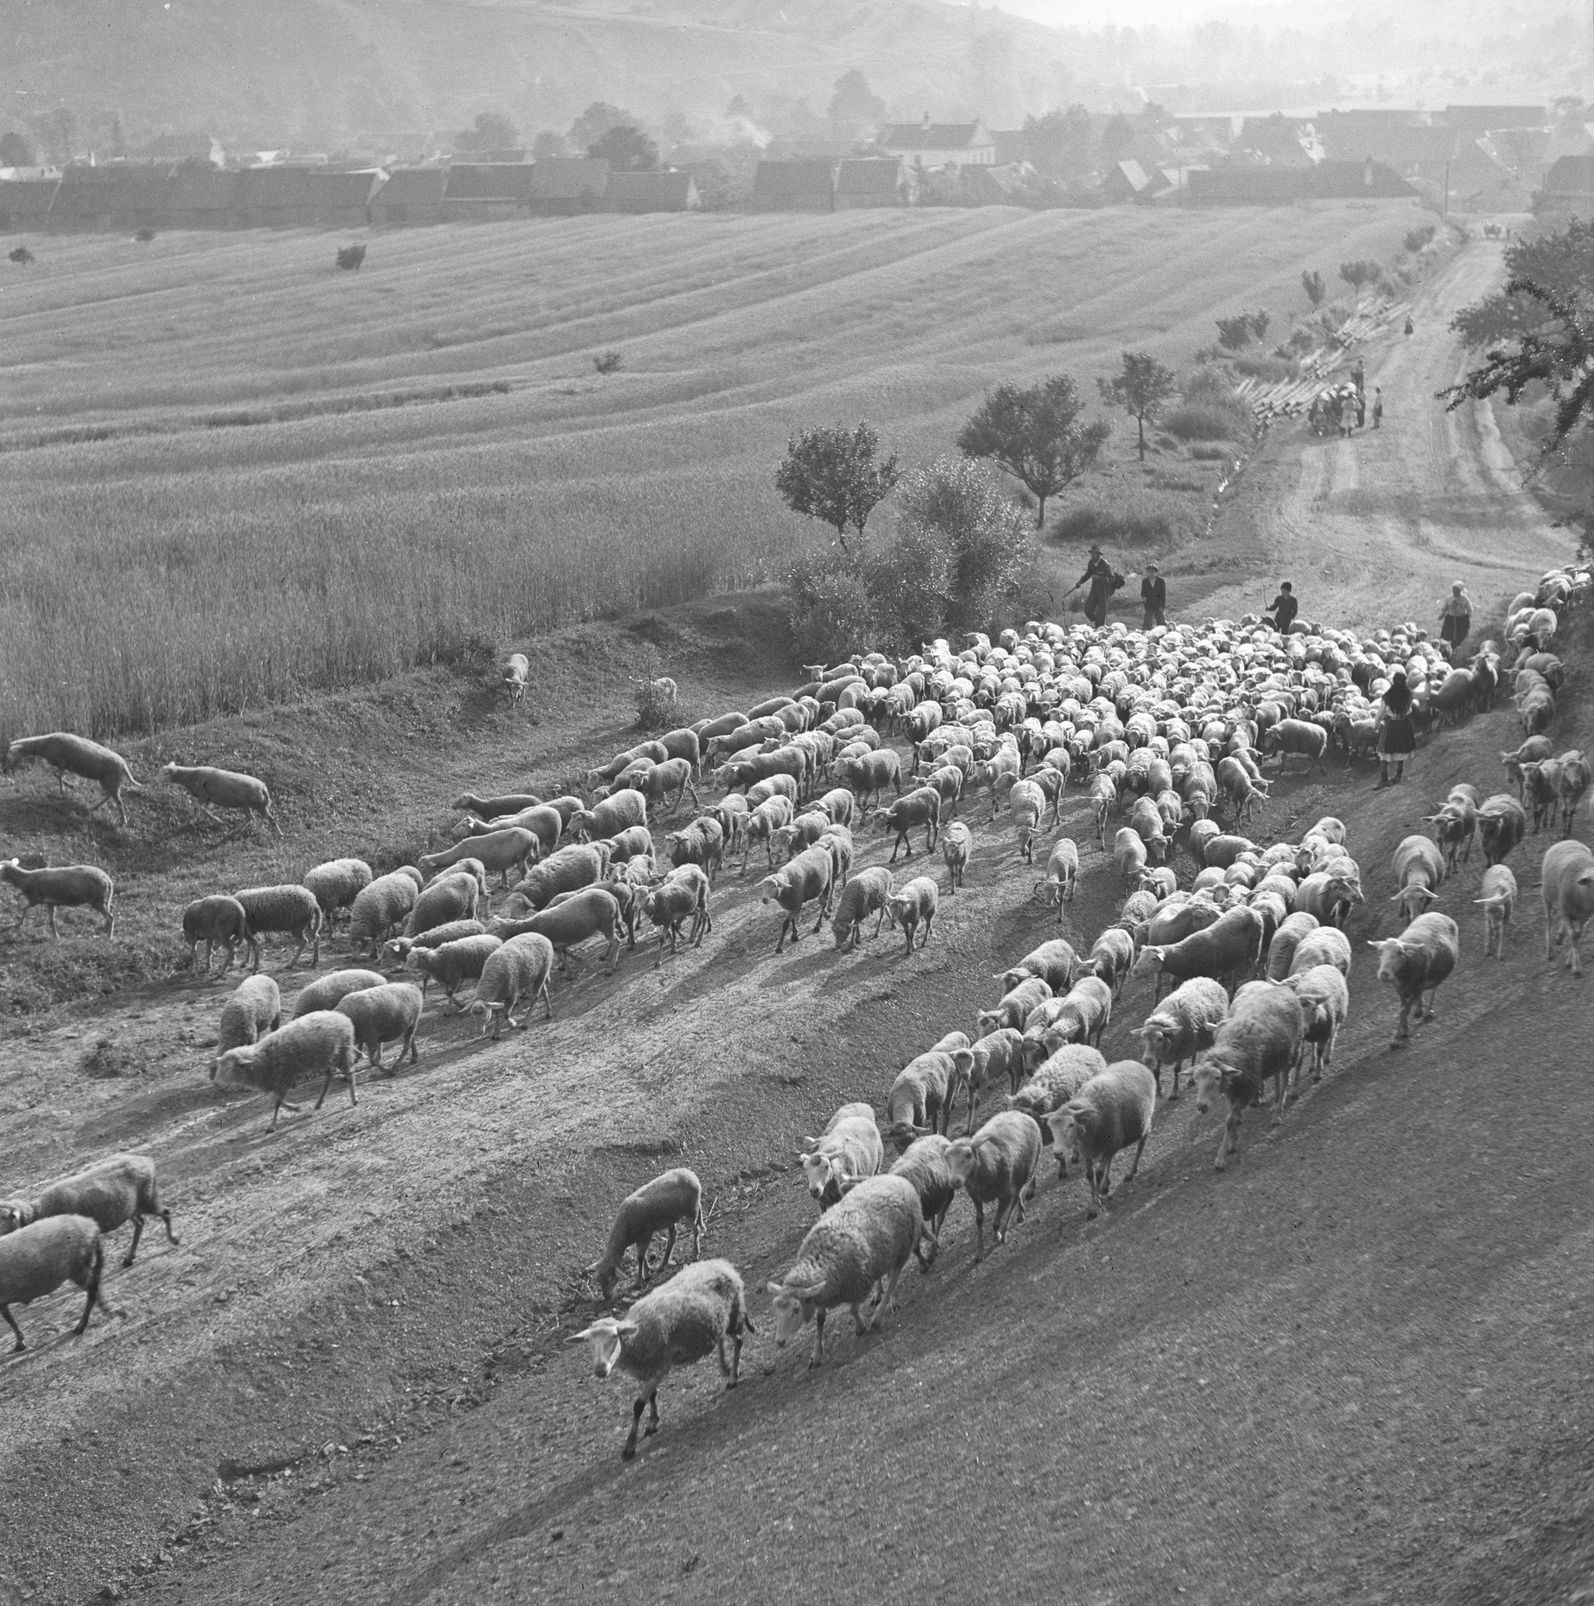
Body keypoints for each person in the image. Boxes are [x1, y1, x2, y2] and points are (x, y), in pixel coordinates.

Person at [1375, 669, 1417, 787]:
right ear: (1405, 681)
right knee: (1402, 748)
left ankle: (1384, 779)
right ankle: (1398, 775)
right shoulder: (1408, 694)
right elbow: (1414, 705)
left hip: (1391, 724)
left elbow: (1380, 712)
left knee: (1385, 749)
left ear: (1393, 681)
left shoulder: (1388, 695)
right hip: (1405, 724)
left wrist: (1375, 725)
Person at [1070, 543, 1117, 628]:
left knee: (1101, 612)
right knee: (1088, 609)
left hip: (1104, 591)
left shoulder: (1105, 565)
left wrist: (1099, 578)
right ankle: (1098, 622)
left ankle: (1099, 627)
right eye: (1092, 553)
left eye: (1095, 553)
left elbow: (1112, 579)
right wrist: (1080, 582)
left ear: (1099, 554)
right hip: (1094, 590)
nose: (1092, 555)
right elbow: (1088, 574)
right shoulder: (1091, 563)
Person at [1439, 581, 1472, 654]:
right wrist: (1441, 615)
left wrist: (1466, 617)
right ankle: (1446, 651)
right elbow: (1444, 608)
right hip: (1450, 620)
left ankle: (1458, 651)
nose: (1454, 591)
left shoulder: (1464, 599)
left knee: (1460, 637)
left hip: (1461, 620)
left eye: (1456, 590)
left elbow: (1470, 609)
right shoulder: (1449, 598)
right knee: (1447, 636)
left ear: (1460, 590)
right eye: (1453, 589)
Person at [1140, 561, 1166, 629]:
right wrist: (1143, 597)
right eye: (1149, 571)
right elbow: (1143, 592)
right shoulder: (1145, 581)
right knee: (1147, 623)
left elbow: (1163, 594)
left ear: (1155, 572)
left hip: (1158, 603)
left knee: (1161, 623)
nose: (1151, 573)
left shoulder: (1161, 581)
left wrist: (1162, 605)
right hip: (1149, 604)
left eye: (1153, 571)